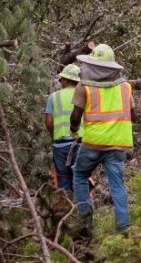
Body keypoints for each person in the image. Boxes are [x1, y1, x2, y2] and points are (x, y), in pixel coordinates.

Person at [69, 43, 134, 235]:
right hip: (117, 144)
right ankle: (123, 228)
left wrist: (74, 130)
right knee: (117, 184)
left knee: (80, 175)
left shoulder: (84, 86)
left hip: (93, 143)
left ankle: (85, 223)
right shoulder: (125, 87)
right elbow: (133, 114)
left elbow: (75, 116)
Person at [44, 64, 81, 194]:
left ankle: (64, 210)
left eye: (61, 80)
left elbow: (49, 123)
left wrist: (55, 135)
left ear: (65, 80)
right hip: (81, 143)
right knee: (80, 178)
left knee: (63, 179)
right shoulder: (85, 96)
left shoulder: (53, 97)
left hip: (60, 145)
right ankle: (83, 210)